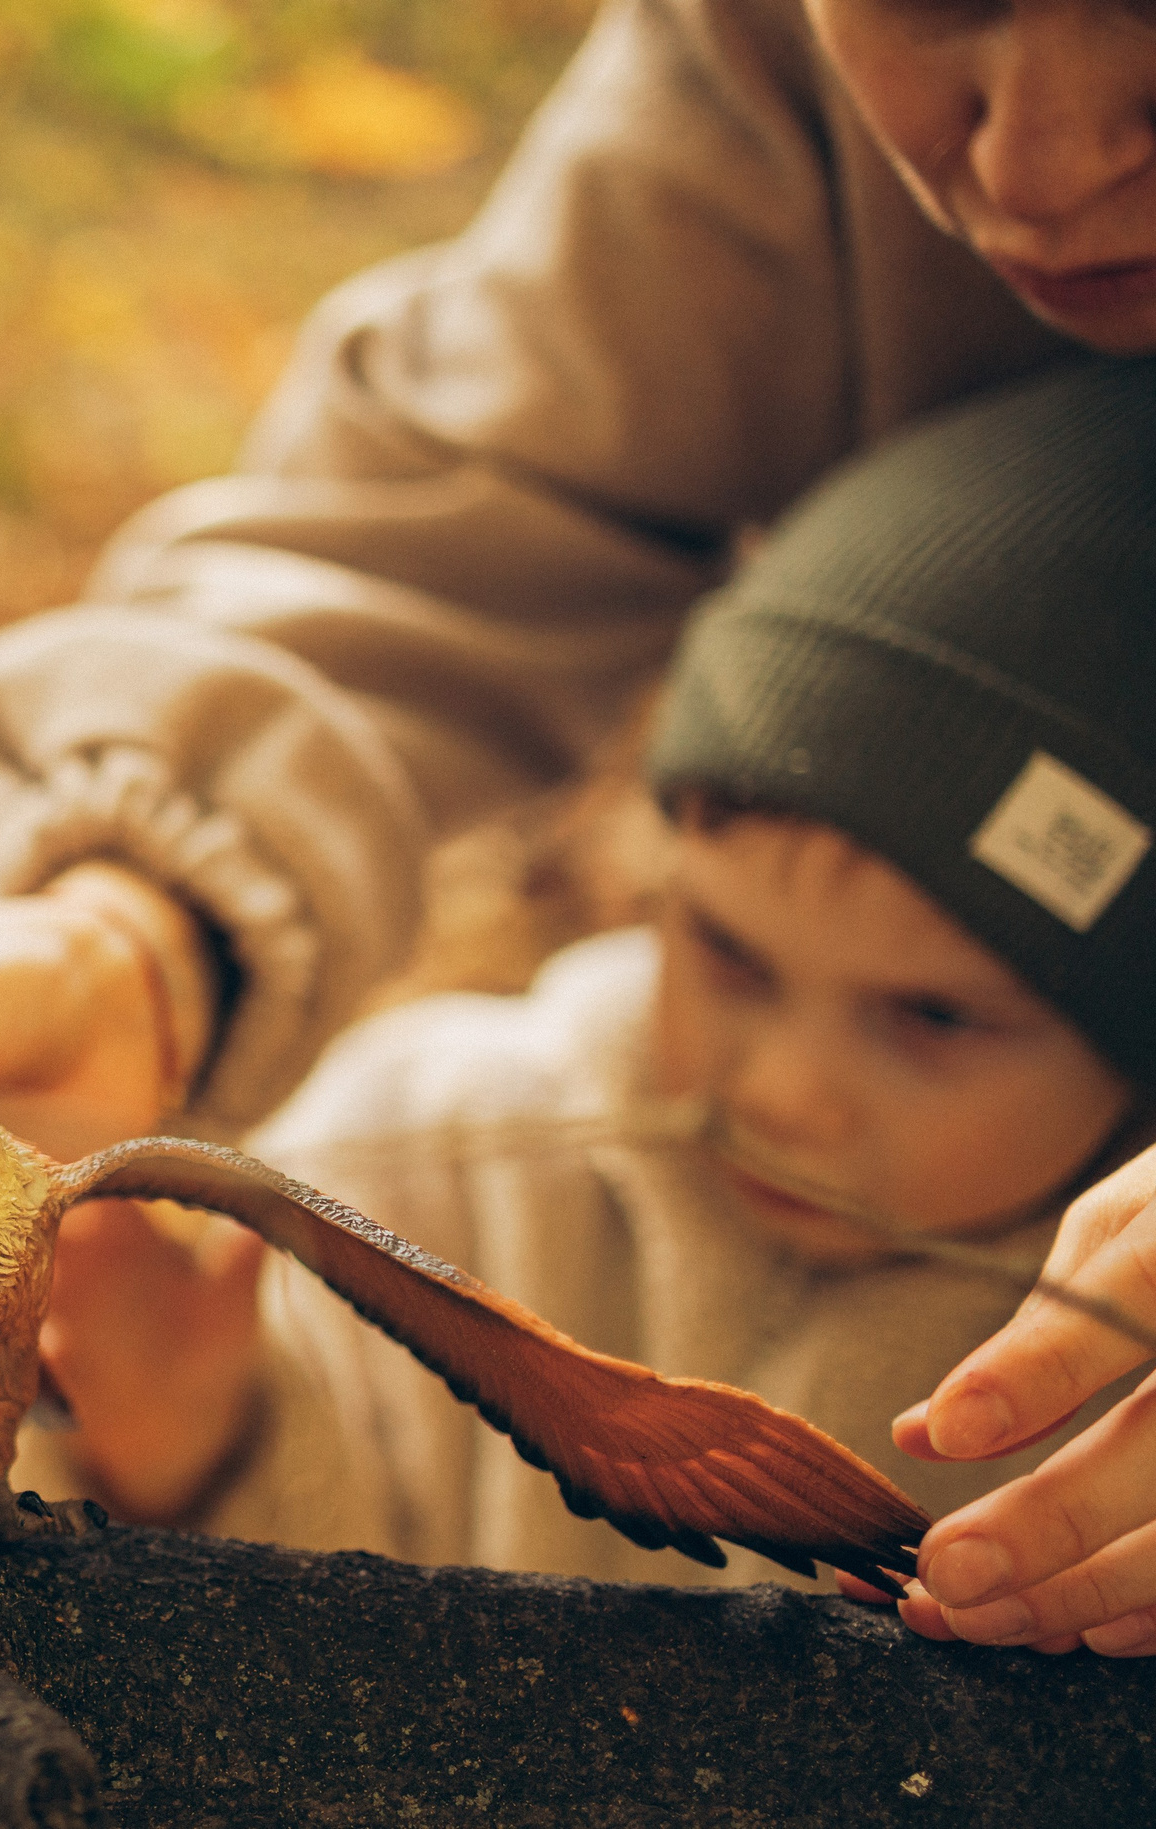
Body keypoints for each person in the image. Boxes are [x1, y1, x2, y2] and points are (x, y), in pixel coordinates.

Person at [0, 0, 1156, 1650]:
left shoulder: (1070, 1347)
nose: (1032, 162)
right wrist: (127, 925)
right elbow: (465, 498)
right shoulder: (450, 1156)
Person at [164, 360, 1155, 1600]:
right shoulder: (423, 1161)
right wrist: (184, 1441)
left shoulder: (1130, 1393)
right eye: (726, 952)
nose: (784, 1095)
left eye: (936, 1016)